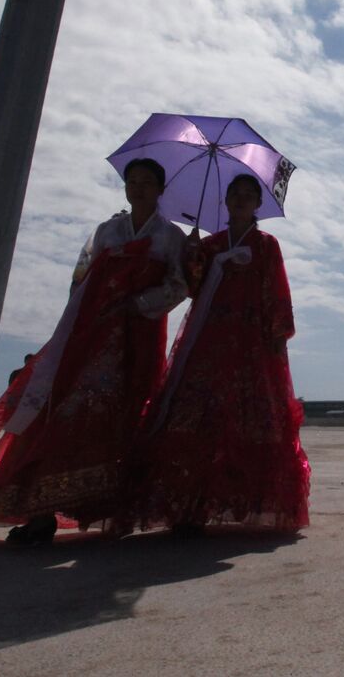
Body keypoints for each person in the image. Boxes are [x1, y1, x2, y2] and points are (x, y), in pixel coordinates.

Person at [0, 159, 187, 545]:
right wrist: (85, 318)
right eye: (131, 181)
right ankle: (39, 513)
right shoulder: (107, 231)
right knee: (63, 414)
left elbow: (178, 285)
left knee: (127, 418)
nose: (137, 188)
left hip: (138, 337)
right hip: (92, 334)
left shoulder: (172, 237)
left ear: (160, 189)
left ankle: (113, 509)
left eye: (146, 182)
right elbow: (80, 280)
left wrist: (136, 303)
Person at [134, 174, 309, 534]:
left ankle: (246, 501)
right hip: (209, 338)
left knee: (251, 417)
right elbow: (191, 289)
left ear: (257, 204)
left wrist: (278, 336)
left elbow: (277, 290)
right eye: (236, 194)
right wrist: (193, 257)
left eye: (248, 195)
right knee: (195, 415)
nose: (242, 199)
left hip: (252, 344)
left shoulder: (266, 245)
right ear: (225, 201)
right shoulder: (210, 245)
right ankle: (189, 505)